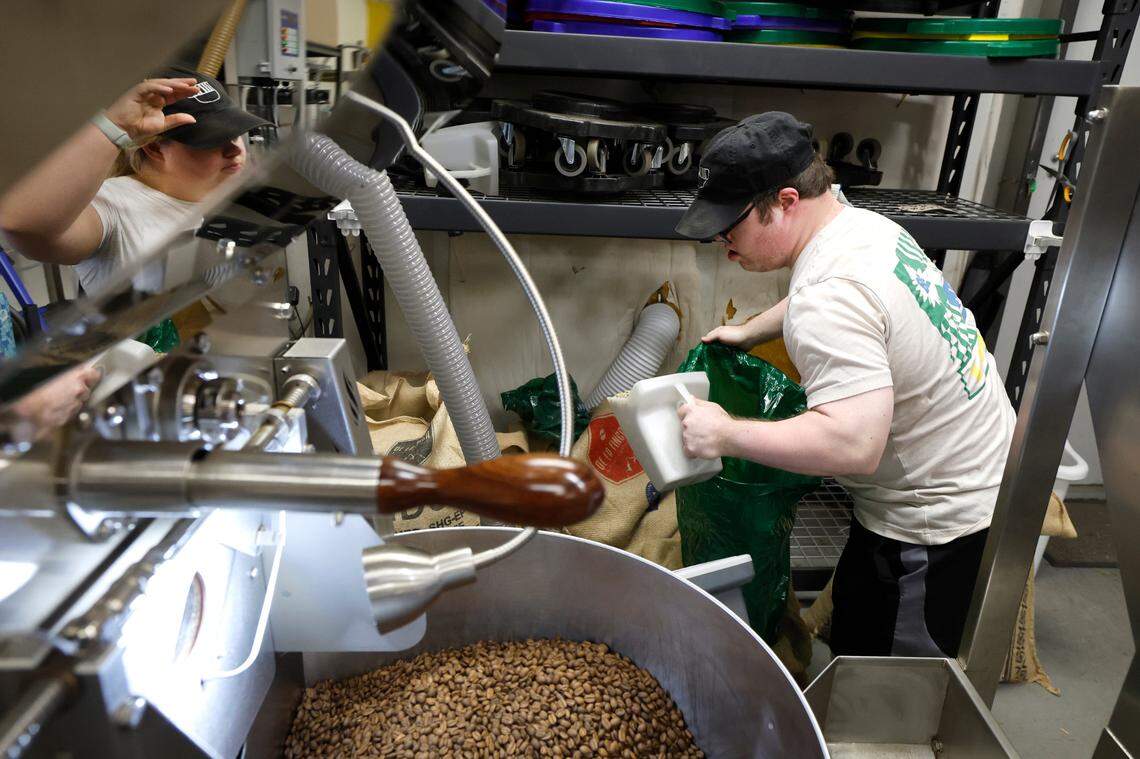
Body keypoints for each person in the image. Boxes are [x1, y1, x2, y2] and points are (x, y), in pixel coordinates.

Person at [674, 112, 1016, 659]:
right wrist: (750, 331)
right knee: (856, 626)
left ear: (786, 202)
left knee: (889, 693)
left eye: (729, 225)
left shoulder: (829, 297)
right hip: (972, 468)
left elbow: (853, 445)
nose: (721, 241)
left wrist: (723, 434)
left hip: (936, 521)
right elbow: (843, 300)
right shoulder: (859, 227)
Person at [0, 66, 268, 295]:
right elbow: (25, 226)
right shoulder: (113, 205)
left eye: (235, 135)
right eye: (213, 141)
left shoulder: (242, 197)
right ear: (153, 149)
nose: (234, 149)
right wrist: (113, 129)